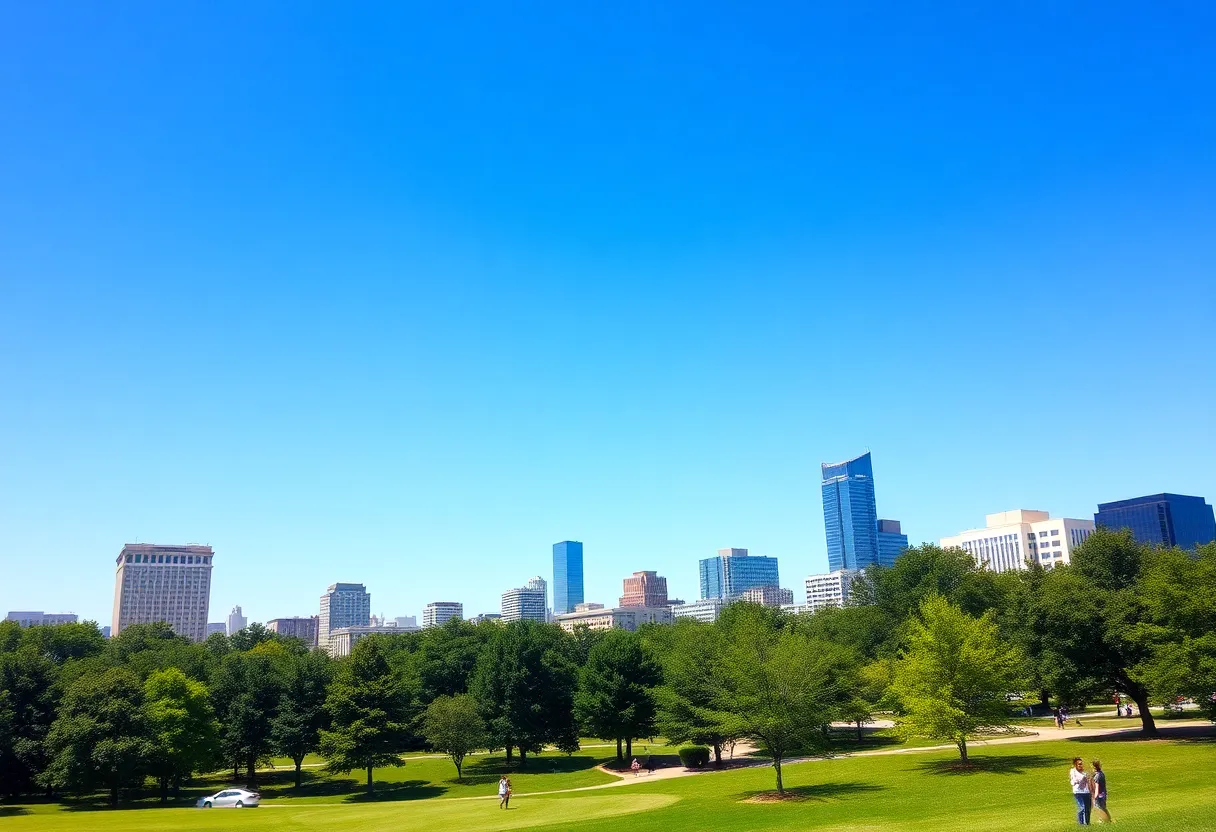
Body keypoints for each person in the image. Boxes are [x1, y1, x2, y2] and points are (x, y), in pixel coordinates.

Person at [1070, 757, 1092, 825]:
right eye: (1079, 764)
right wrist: (1083, 777)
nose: (1081, 765)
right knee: (1082, 807)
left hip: (1086, 792)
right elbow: (1074, 781)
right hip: (1078, 792)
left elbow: (1089, 781)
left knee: (1088, 808)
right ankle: (1081, 824)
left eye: (1081, 764)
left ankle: (1087, 823)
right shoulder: (1073, 771)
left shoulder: (1084, 772)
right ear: (1075, 765)